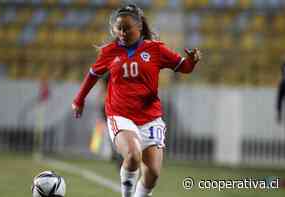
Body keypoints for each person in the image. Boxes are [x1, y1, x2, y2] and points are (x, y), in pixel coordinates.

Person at [72, 4, 201, 197]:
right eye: (119, 29)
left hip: (150, 117)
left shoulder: (156, 50)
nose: (122, 33)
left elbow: (184, 67)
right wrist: (79, 99)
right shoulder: (109, 52)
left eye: (127, 28)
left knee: (153, 173)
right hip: (120, 114)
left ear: (139, 27)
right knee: (132, 155)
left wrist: (192, 61)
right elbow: (93, 75)